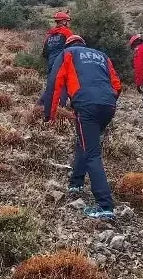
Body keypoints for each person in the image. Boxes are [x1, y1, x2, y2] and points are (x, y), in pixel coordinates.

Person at [44, 35, 122, 220]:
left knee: (92, 153)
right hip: (108, 105)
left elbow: (54, 84)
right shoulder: (101, 56)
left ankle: (105, 206)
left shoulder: (67, 54)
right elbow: (117, 85)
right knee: (86, 142)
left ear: (68, 45)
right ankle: (76, 182)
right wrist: (107, 100)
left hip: (86, 105)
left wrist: (50, 114)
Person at [38, 12, 73, 106]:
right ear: (63, 21)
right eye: (67, 21)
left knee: (51, 85)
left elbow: (44, 53)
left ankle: (40, 106)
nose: (68, 23)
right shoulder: (67, 32)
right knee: (64, 85)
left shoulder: (48, 36)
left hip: (51, 63)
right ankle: (61, 108)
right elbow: (73, 47)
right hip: (63, 62)